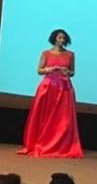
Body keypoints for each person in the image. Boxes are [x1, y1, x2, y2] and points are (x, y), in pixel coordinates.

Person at [18, 29, 83, 158]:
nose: (62, 40)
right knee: (45, 117)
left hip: (64, 88)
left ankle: (59, 146)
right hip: (48, 87)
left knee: (63, 119)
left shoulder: (70, 54)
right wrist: (51, 69)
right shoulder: (46, 53)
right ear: (54, 39)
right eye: (59, 38)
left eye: (64, 38)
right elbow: (39, 71)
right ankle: (42, 143)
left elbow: (72, 72)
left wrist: (67, 72)